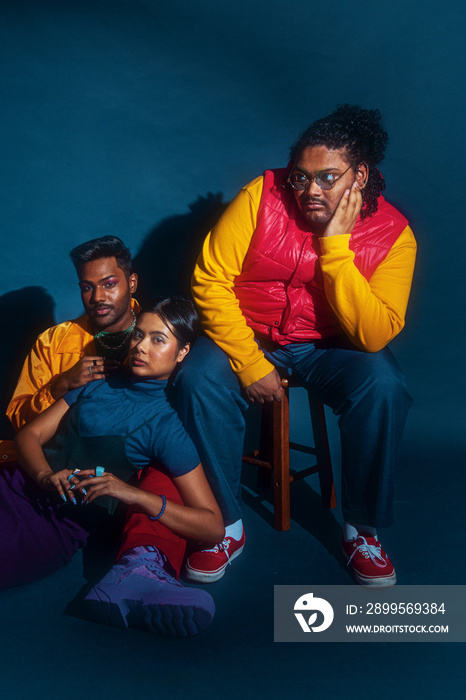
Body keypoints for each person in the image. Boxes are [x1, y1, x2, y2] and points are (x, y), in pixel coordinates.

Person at [191, 104, 417, 586]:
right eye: (300, 177)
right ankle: (223, 525)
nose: (310, 190)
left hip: (327, 345)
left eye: (327, 177)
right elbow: (211, 279)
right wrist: (250, 363)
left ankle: (362, 530)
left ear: (360, 176)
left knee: (385, 385)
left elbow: (373, 334)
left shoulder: (395, 235)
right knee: (196, 378)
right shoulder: (262, 194)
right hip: (250, 331)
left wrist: (335, 247)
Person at [3, 236, 247, 585]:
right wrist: (63, 385)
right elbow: (23, 425)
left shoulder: (159, 327)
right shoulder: (55, 342)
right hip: (51, 467)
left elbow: (190, 389)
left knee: (165, 464)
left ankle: (145, 565)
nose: (98, 297)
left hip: (135, 472)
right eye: (87, 287)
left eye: (109, 284)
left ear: (131, 283)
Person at [3, 297, 224, 637]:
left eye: (158, 339)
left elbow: (212, 526)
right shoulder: (97, 383)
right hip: (15, 485)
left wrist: (134, 494)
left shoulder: (166, 427)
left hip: (55, 525)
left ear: (182, 352)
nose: (140, 346)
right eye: (138, 335)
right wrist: (46, 475)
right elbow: (29, 435)